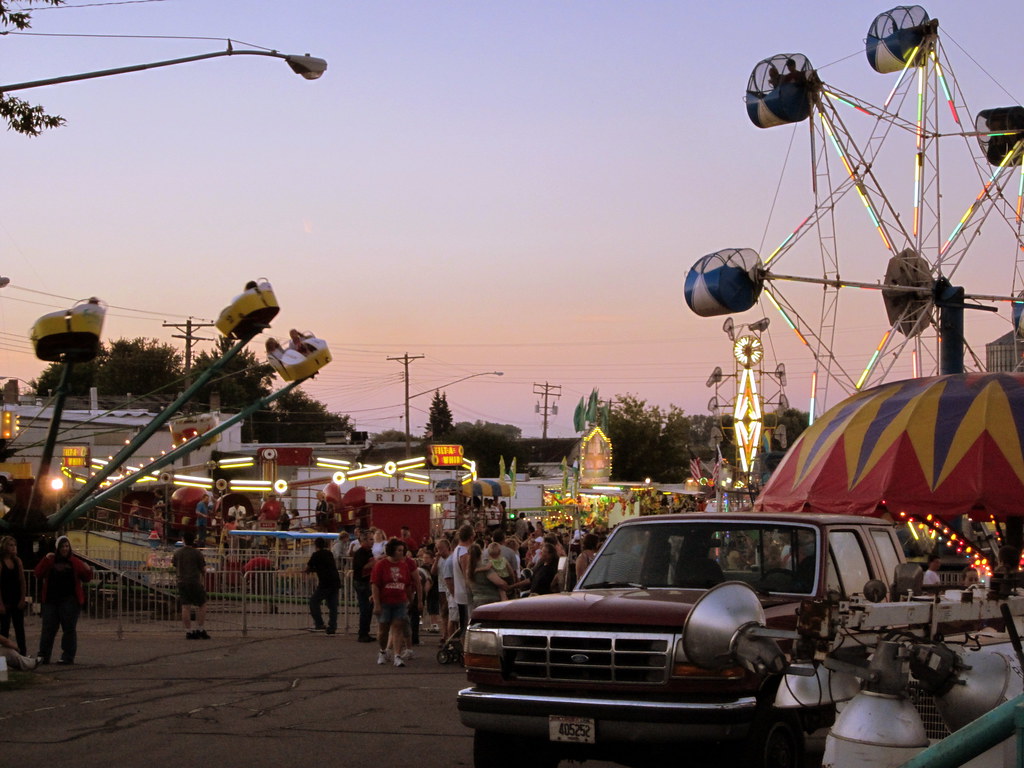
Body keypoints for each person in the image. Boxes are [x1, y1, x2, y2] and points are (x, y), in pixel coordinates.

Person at [35, 535, 93, 664]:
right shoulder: (50, 560)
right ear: (57, 548)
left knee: (69, 629)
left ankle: (67, 656)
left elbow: (86, 577)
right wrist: (45, 559)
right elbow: (38, 573)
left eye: (67, 546)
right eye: (62, 546)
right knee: (48, 628)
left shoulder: (74, 562)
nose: (65, 549)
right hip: (51, 600)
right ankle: (43, 655)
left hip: (69, 600)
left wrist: (88, 570)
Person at [371, 539, 420, 668]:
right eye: (399, 550)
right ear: (392, 550)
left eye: (402, 550)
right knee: (383, 630)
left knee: (398, 627)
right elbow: (375, 584)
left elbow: (408, 585)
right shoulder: (381, 565)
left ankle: (397, 655)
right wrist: (377, 603)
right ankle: (383, 651)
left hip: (400, 601)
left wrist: (411, 600)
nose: (401, 553)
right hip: (385, 602)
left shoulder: (404, 566)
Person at [173, 530, 210, 639]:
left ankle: (188, 631)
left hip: (181, 581)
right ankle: (200, 628)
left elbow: (175, 565)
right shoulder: (197, 553)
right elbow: (202, 568)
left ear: (183, 540)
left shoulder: (177, 553)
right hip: (194, 581)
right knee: (202, 604)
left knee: (185, 607)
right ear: (193, 540)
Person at [305, 537, 341, 634]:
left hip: (325, 582)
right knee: (332, 606)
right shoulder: (329, 554)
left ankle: (319, 623)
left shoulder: (316, 555)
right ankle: (332, 627)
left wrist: (310, 570)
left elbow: (308, 567)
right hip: (335, 581)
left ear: (316, 545)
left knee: (314, 601)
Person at [0, 535, 28, 655]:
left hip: (16, 598)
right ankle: (3, 656)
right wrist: (0, 604)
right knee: (4, 629)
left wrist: (23, 598)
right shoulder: (1, 563)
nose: (13, 547)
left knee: (19, 628)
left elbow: (22, 581)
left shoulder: (17, 561)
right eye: (10, 545)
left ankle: (23, 654)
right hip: (5, 599)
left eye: (14, 545)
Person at [351, 532, 375, 642]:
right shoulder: (360, 553)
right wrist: (374, 563)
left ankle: (366, 632)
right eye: (370, 539)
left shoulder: (369, 552)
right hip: (361, 583)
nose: (372, 541)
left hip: (367, 582)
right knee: (365, 608)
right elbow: (361, 567)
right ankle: (362, 633)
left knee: (369, 608)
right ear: (364, 541)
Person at [452, 524, 474, 631]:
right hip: (466, 593)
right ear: (471, 537)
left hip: (459, 592)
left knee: (463, 622)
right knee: (467, 623)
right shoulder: (465, 553)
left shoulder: (457, 550)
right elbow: (467, 574)